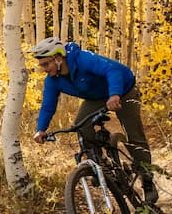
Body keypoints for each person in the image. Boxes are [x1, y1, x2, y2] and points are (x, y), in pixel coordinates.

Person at [30, 37, 158, 203]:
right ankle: (101, 165)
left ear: (58, 58)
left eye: (46, 64)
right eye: (41, 65)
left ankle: (147, 180)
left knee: (134, 135)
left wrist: (115, 94)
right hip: (96, 97)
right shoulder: (53, 81)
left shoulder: (82, 59)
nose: (43, 69)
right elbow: (48, 106)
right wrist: (41, 129)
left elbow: (113, 71)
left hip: (123, 89)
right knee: (81, 126)